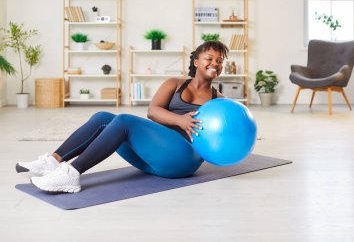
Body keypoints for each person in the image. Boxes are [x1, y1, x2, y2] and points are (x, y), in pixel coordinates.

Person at [15, 41, 229, 193]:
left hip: (183, 159)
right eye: (209, 58)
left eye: (220, 61)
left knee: (125, 121)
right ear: (196, 62)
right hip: (153, 157)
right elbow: (153, 111)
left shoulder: (217, 100)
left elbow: (221, 136)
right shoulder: (174, 84)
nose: (215, 64)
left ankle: (71, 174)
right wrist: (180, 120)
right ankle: (54, 161)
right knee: (103, 117)